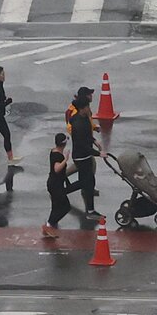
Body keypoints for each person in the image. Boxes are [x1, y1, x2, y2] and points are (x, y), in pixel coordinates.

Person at [65, 91, 103, 220]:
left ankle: (90, 210)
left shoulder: (83, 118)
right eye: (87, 107)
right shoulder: (78, 124)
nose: (89, 109)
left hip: (83, 156)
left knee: (87, 182)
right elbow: (83, 145)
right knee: (86, 182)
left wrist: (94, 141)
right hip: (82, 157)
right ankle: (90, 211)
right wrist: (99, 154)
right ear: (83, 108)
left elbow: (88, 136)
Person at [43, 132, 73, 238]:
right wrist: (66, 159)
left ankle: (50, 227)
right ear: (63, 144)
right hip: (56, 185)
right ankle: (49, 224)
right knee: (65, 206)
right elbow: (57, 169)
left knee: (55, 207)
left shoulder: (53, 151)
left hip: (53, 183)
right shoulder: (58, 156)